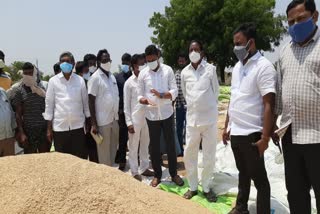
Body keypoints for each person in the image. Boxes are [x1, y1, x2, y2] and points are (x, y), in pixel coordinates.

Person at [223, 23, 276, 214]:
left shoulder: (264, 67)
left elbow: (269, 104)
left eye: (239, 43)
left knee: (260, 180)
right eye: (234, 43)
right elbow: (233, 98)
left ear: (251, 43)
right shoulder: (237, 67)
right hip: (236, 131)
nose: (236, 47)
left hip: (252, 133)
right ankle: (241, 208)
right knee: (243, 173)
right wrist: (226, 127)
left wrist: (265, 138)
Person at [275, 1, 320, 213]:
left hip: (317, 135)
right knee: (295, 193)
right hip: (291, 134)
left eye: (301, 19)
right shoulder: (285, 52)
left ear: (315, 16)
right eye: (291, 21)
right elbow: (279, 94)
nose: (295, 25)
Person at [137, 44, 184, 187]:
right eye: (148, 60)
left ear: (158, 56)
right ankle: (157, 175)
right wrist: (143, 100)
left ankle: (174, 174)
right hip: (151, 115)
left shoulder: (168, 70)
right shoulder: (143, 74)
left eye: (153, 59)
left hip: (167, 113)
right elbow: (139, 94)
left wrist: (162, 95)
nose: (150, 62)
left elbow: (174, 91)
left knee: (171, 145)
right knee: (155, 146)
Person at [181, 40, 219, 202]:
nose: (193, 52)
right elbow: (184, 93)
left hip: (209, 121)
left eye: (196, 49)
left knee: (209, 155)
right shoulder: (184, 73)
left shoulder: (210, 70)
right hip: (192, 121)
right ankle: (193, 187)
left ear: (202, 52)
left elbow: (216, 92)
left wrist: (207, 107)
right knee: (190, 154)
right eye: (191, 50)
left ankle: (207, 187)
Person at [43, 52, 90, 159]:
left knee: (79, 160)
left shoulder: (80, 80)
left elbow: (85, 103)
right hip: (60, 128)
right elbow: (49, 106)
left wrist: (88, 121)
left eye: (68, 61)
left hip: (78, 127)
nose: (65, 63)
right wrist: (49, 129)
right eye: (62, 61)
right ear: (59, 64)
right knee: (63, 162)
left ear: (73, 63)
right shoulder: (53, 81)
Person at [124, 54, 154, 181]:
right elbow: (126, 104)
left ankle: (144, 167)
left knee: (145, 144)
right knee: (133, 146)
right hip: (134, 119)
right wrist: (128, 122)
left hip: (147, 117)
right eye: (141, 64)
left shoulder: (147, 79)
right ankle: (135, 171)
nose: (144, 66)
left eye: (144, 63)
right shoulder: (129, 83)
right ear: (134, 66)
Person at [88, 49, 119, 166]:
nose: (107, 62)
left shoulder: (112, 77)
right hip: (102, 122)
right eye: (104, 60)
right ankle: (106, 178)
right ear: (98, 62)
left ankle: (111, 174)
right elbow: (91, 101)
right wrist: (94, 124)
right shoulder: (95, 78)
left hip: (114, 120)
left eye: (109, 60)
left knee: (112, 150)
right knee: (103, 153)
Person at [13, 62, 50, 154]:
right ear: (23, 74)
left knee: (44, 159)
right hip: (28, 132)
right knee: (30, 162)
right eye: (26, 74)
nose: (29, 76)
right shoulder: (19, 91)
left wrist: (49, 129)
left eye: (31, 73)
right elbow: (18, 114)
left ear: (34, 74)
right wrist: (21, 133)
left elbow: (48, 110)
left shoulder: (42, 89)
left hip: (43, 130)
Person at [75, 61, 99, 163]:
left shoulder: (88, 82)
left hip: (90, 119)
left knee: (93, 145)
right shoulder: (79, 84)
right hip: (82, 121)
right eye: (86, 71)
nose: (88, 73)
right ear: (81, 73)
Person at [115, 53, 132, 170]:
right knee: (122, 138)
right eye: (123, 62)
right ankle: (122, 160)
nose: (125, 64)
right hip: (121, 112)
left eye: (127, 62)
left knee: (135, 138)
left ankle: (136, 160)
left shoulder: (134, 76)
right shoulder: (117, 77)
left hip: (133, 111)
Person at [175, 53, 188, 156]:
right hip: (179, 106)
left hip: (189, 106)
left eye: (183, 61)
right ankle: (180, 150)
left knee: (189, 129)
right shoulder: (176, 75)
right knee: (179, 128)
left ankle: (189, 149)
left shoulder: (189, 73)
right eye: (180, 61)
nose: (181, 62)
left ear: (186, 61)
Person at [0, 87, 16, 157]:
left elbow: (11, 112)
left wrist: (14, 131)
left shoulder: (2, 91)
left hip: (8, 138)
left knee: (9, 166)